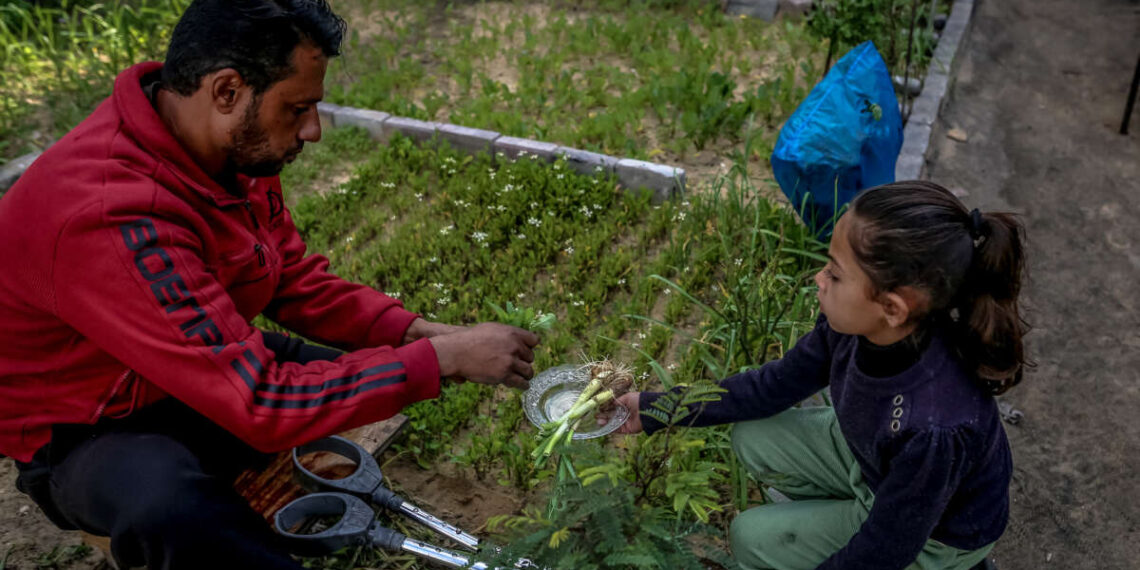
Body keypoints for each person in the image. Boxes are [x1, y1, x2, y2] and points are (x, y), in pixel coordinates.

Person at [0, 1, 539, 568]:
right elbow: (262, 401)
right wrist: (441, 358)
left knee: (339, 377)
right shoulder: (113, 215)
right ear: (227, 89)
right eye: (298, 108)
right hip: (88, 423)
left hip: (186, 362)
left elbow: (292, 280)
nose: (312, 130)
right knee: (172, 507)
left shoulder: (226, 149)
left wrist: (416, 334)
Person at [608, 181, 1026, 570]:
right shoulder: (855, 330)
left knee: (749, 537)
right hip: (878, 467)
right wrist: (654, 409)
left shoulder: (934, 425)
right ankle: (844, 506)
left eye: (835, 273)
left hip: (936, 532)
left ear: (893, 308)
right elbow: (769, 388)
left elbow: (886, 547)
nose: (818, 279)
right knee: (751, 436)